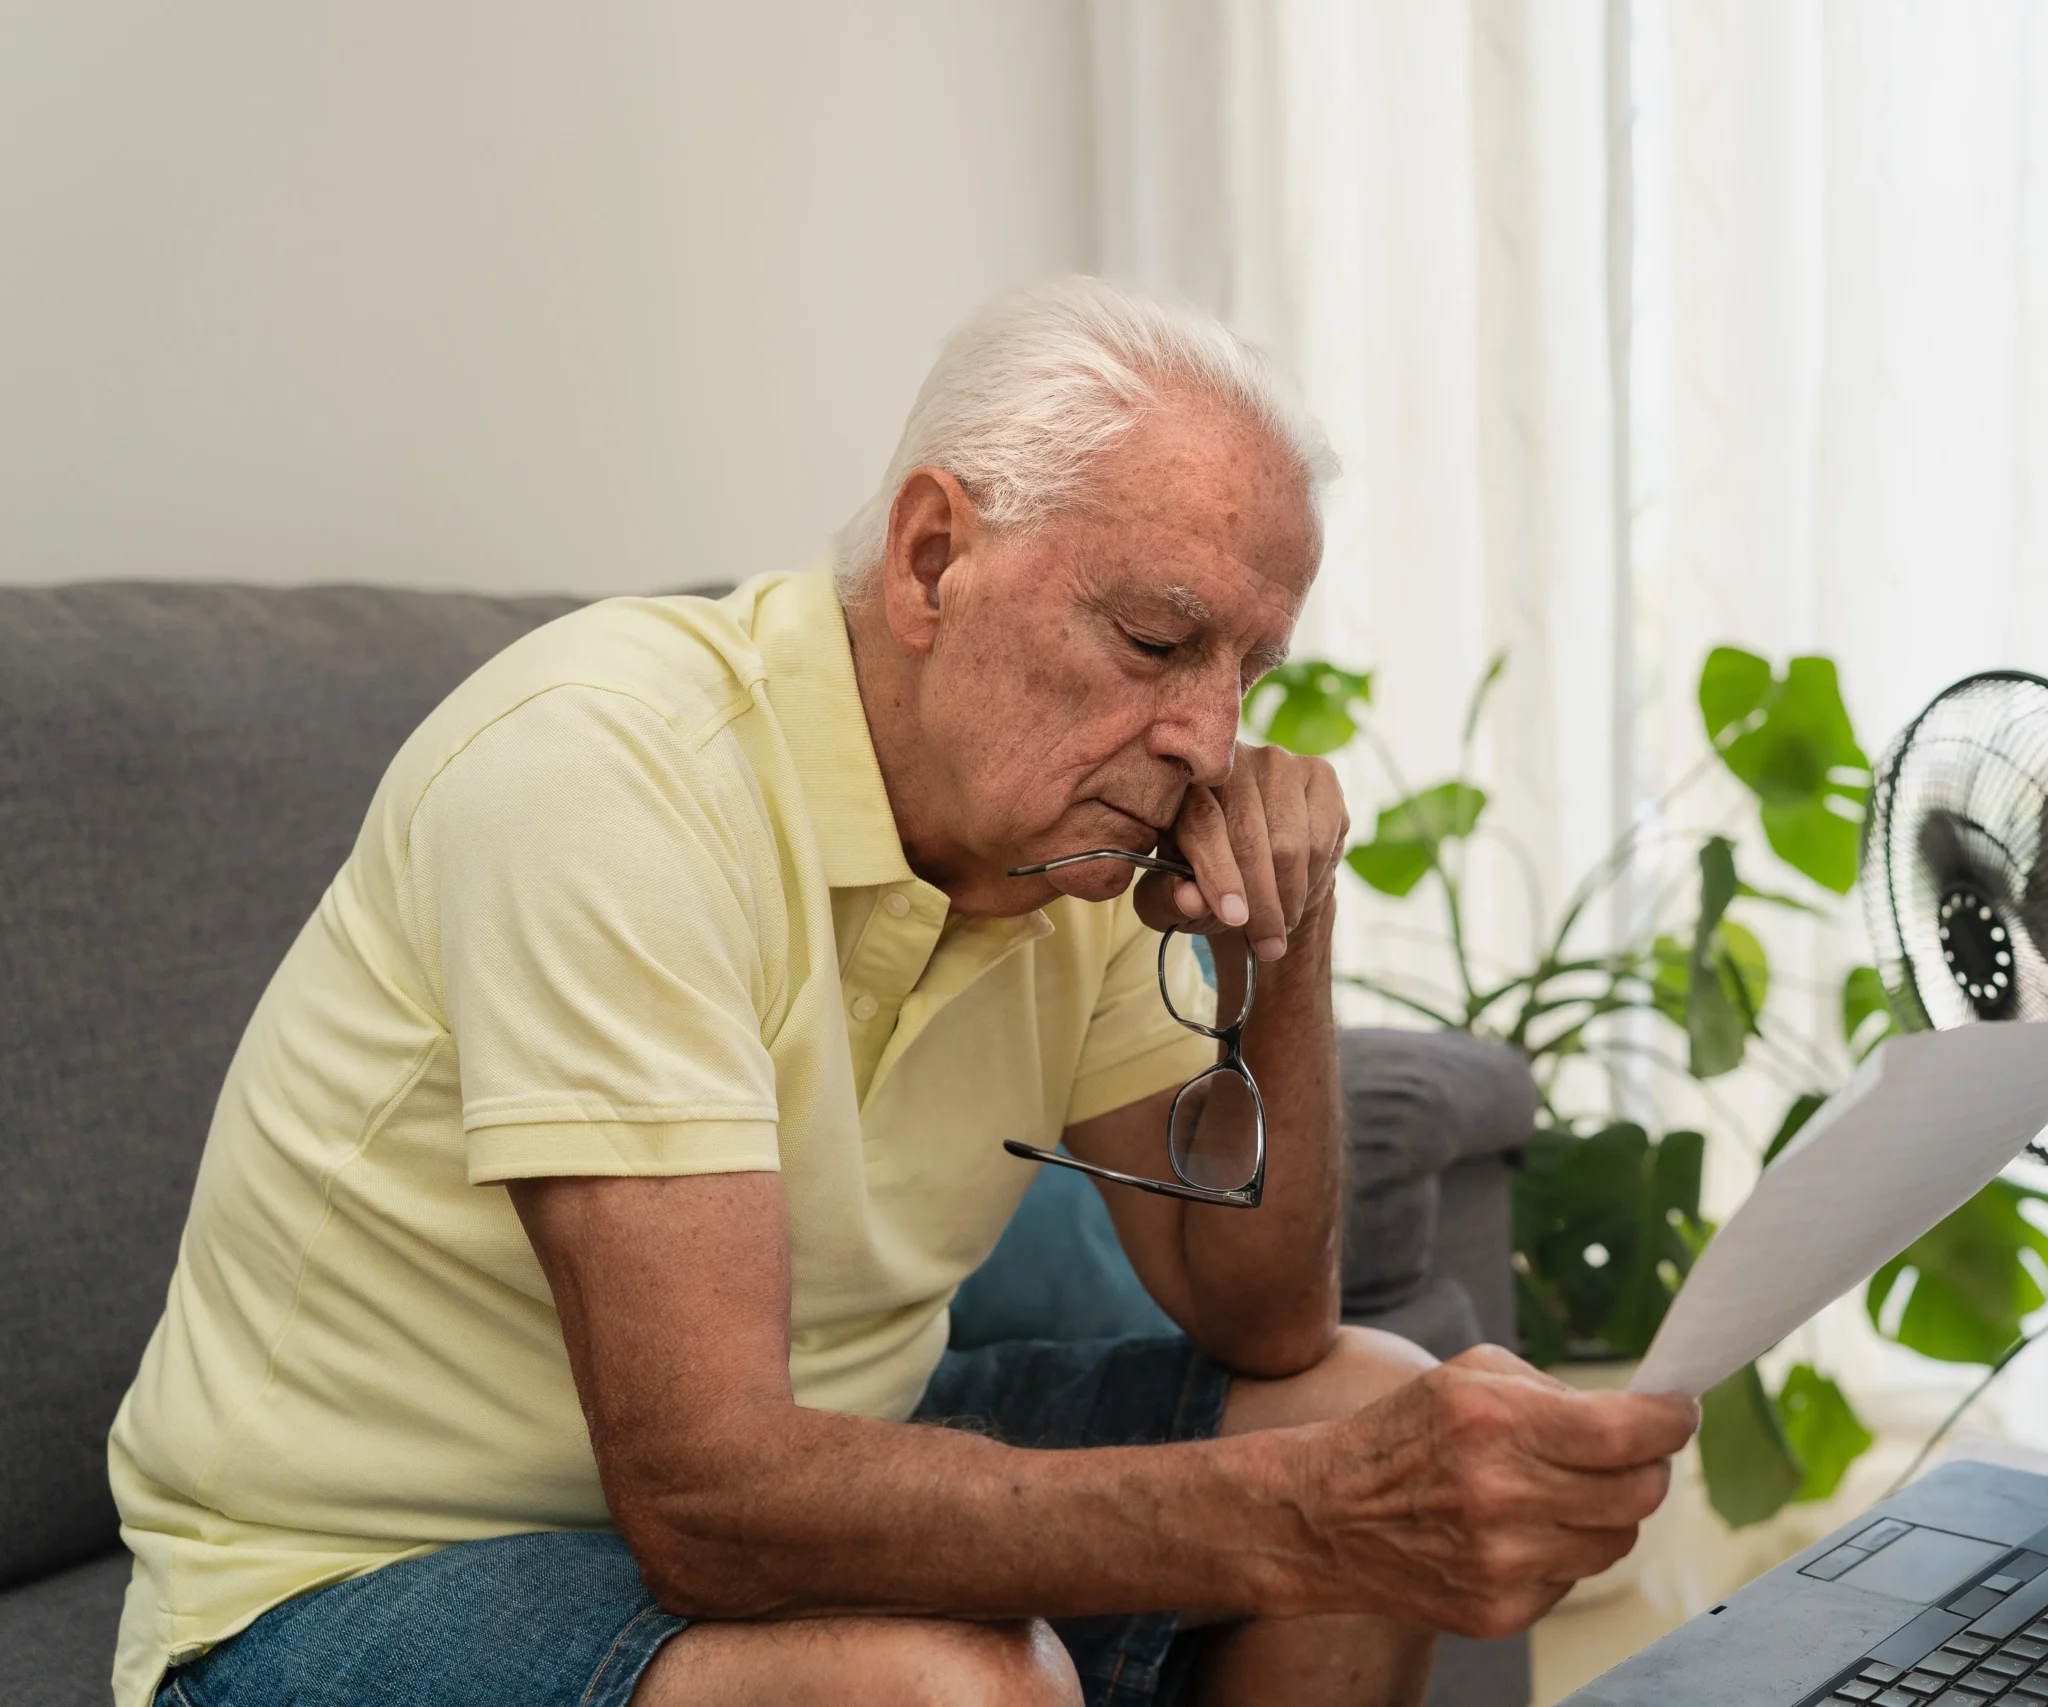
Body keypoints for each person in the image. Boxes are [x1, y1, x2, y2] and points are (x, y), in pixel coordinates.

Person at [109, 277, 1699, 1707]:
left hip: (784, 1452)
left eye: (1249, 674)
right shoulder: (608, 772)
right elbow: (709, 1496)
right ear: (935, 556)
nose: (1211, 739)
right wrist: (1310, 1514)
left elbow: (1268, 1318)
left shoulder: (1076, 834)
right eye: (1159, 638)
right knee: (943, 1676)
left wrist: (1281, 938)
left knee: (1357, 1391)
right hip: (343, 1580)